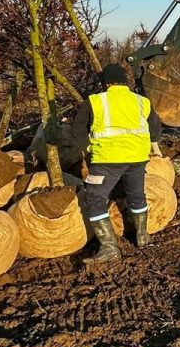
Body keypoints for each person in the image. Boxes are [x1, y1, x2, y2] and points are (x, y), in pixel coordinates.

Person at [69, 63, 163, 264]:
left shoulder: (95, 101)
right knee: (136, 195)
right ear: (125, 81)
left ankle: (109, 248)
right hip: (137, 159)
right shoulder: (141, 101)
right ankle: (143, 238)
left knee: (94, 198)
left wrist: (86, 150)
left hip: (106, 160)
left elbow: (77, 129)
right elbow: (155, 131)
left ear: (106, 82)